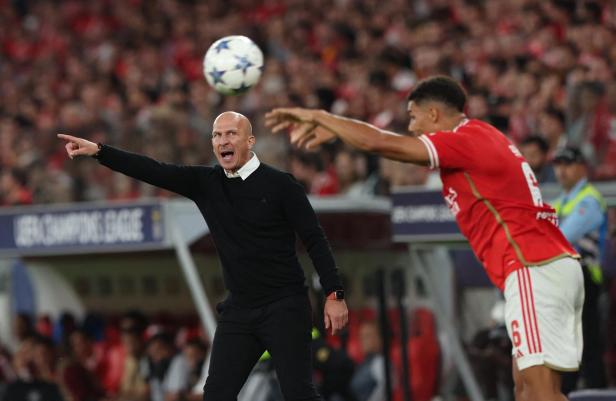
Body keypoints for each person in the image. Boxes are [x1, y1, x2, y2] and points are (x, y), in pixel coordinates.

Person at [266, 76, 582, 401]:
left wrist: (323, 117)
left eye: (414, 117)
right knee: (527, 390)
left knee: (541, 393)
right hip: (547, 266)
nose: (413, 128)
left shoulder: (466, 138)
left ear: (434, 114)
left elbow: (381, 143)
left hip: (532, 267)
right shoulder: (482, 140)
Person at [57, 110, 349, 401]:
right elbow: (153, 170)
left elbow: (315, 240)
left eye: (231, 134)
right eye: (217, 135)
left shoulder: (281, 185)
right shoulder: (206, 183)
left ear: (250, 141)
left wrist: (334, 293)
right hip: (240, 311)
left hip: (284, 305)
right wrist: (99, 152)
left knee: (299, 394)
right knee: (215, 396)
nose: (223, 140)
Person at [552, 146, 608, 393]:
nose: (562, 170)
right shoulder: (561, 201)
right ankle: (568, 393)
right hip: (564, 278)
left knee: (588, 340)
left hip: (585, 277)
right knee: (568, 342)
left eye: (568, 164)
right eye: (558, 164)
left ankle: (596, 392)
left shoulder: (589, 199)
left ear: (582, 167)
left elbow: (562, 235)